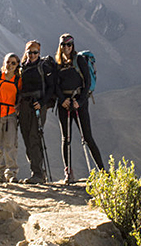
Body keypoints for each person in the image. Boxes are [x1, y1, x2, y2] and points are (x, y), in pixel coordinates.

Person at [55, 33, 105, 183]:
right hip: (64, 103)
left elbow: (87, 82)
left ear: (73, 45)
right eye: (63, 45)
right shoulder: (58, 63)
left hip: (79, 102)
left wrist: (80, 101)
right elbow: (55, 85)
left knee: (87, 136)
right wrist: (62, 100)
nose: (66, 48)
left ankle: (102, 171)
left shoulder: (80, 60)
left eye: (68, 45)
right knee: (66, 138)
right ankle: (68, 173)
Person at [18, 40, 56, 184]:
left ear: (39, 53)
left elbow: (51, 87)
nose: (32, 55)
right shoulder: (23, 68)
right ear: (26, 52)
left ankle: (38, 173)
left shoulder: (43, 66)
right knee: (27, 137)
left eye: (35, 52)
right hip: (25, 106)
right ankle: (37, 171)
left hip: (38, 106)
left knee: (34, 136)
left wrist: (42, 103)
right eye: (30, 52)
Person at [0, 53, 21, 183]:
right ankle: (0, 174)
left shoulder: (18, 81)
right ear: (4, 63)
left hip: (10, 114)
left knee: (10, 144)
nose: (10, 65)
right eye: (8, 62)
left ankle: (11, 173)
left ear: (17, 65)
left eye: (13, 63)